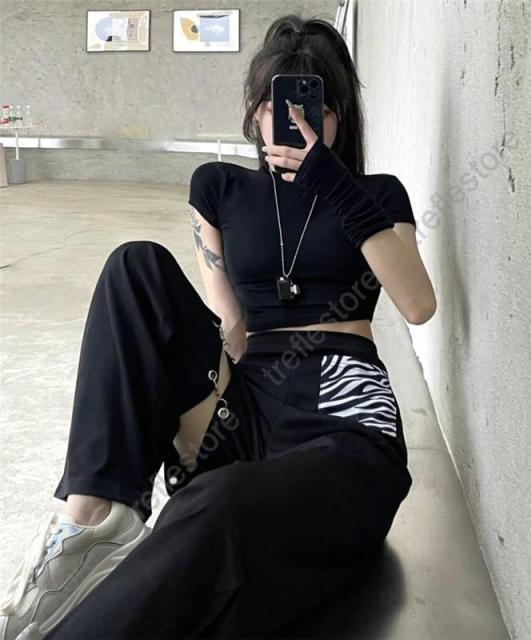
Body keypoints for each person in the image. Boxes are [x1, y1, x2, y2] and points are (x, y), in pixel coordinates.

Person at [0, 13, 436, 640]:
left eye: (316, 106)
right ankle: (90, 522)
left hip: (342, 420)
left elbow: (417, 304)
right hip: (249, 401)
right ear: (256, 112)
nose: (294, 120)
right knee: (135, 266)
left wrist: (333, 185)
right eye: (277, 103)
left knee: (214, 507)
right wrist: (185, 408)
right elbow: (228, 321)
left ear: (340, 116)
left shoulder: (376, 194)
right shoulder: (219, 188)